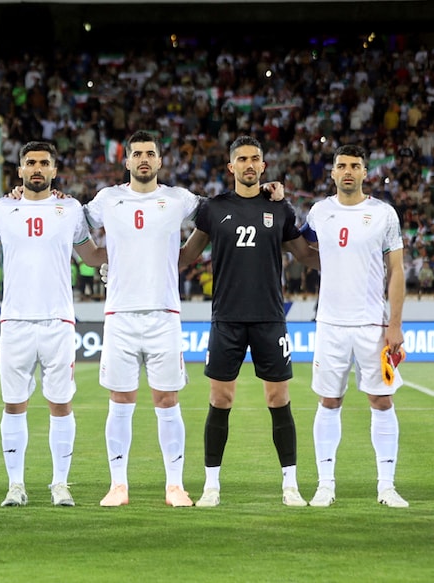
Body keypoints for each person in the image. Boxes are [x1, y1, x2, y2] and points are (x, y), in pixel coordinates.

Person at [0, 141, 105, 507]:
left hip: (58, 321)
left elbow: (90, 257)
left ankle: (60, 483)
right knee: (14, 404)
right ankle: (16, 485)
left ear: (54, 171)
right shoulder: (2, 209)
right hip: (15, 322)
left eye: (44, 163)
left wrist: (130, 254)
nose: (37, 168)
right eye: (30, 163)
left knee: (61, 404)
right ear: (20, 170)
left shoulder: (69, 208)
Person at [179, 135, 319, 507]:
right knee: (220, 398)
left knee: (279, 398)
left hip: (269, 317)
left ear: (263, 165)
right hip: (226, 317)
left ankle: (290, 484)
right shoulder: (213, 209)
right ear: (231, 167)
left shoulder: (282, 209)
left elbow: (306, 255)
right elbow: (185, 257)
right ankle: (212, 486)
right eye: (242, 159)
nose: (249, 164)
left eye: (255, 158)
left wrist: (351, 259)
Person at [84, 131, 209, 508]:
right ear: (126, 161)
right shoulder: (107, 199)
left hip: (164, 314)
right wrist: (101, 260)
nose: (143, 159)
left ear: (159, 161)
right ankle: (118, 485)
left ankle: (175, 486)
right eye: (136, 153)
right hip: (120, 314)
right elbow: (73, 222)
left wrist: (187, 254)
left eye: (149, 154)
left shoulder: (178, 198)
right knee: (119, 400)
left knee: (167, 399)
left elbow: (217, 213)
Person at [303, 145, 408, 508]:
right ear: (331, 173)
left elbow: (397, 272)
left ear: (366, 172)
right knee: (329, 400)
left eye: (355, 166)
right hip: (330, 323)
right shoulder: (319, 213)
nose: (348, 171)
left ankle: (387, 486)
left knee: (381, 400)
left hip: (372, 325)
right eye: (342, 166)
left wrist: (394, 324)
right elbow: (300, 248)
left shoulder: (383, 214)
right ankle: (325, 485)